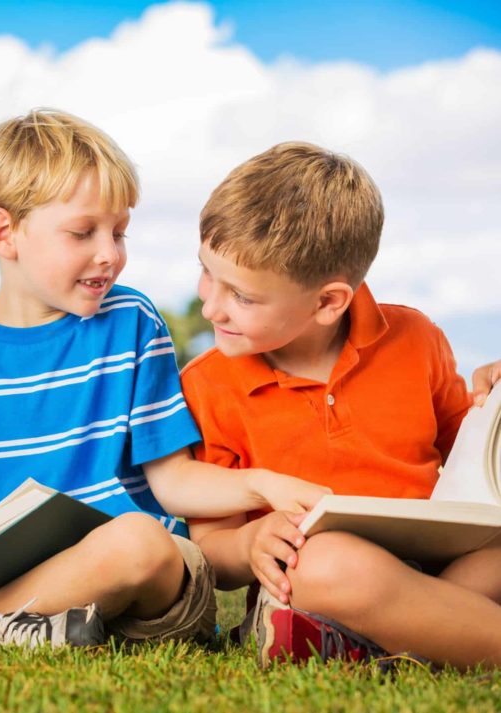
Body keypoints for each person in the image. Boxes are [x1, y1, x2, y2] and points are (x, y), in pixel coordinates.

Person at [0, 109, 329, 647]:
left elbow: (173, 481)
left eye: (119, 232)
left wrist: (259, 483)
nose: (110, 254)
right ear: (4, 233)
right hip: (22, 575)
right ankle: (4, 624)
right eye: (83, 232)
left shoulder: (131, 321)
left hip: (145, 580)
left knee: (137, 540)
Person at [181, 141, 501, 669]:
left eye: (242, 296)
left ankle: (377, 644)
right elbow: (213, 550)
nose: (210, 304)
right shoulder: (208, 383)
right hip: (316, 575)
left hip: (439, 568)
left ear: (329, 302)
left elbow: (471, 471)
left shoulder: (416, 338)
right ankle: (439, 634)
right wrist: (253, 542)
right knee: (328, 565)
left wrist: (491, 403)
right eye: (207, 272)